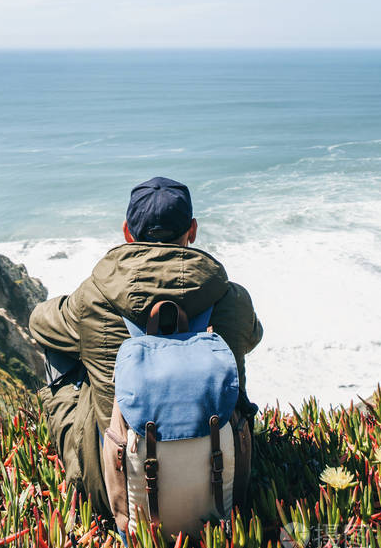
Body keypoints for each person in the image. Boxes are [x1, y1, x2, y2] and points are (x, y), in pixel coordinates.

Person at [28, 176, 263, 516]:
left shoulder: (95, 296)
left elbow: (39, 322)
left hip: (113, 491)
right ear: (192, 231)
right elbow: (253, 336)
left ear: (127, 232)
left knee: (60, 350)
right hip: (228, 483)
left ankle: (86, 468)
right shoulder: (231, 297)